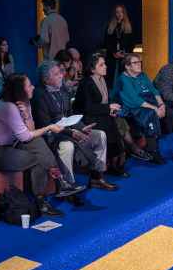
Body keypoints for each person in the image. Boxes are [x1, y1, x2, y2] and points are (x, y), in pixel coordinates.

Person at [0, 74, 85, 217]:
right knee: (36, 160)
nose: (33, 87)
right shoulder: (8, 107)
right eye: (29, 85)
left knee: (37, 142)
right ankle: (45, 199)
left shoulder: (23, 103)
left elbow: (31, 131)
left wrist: (27, 114)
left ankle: (60, 184)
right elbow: (25, 136)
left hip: (10, 144)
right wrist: (49, 127)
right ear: (19, 90)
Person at [32, 61, 116, 199]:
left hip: (69, 130)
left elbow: (70, 115)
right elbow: (46, 124)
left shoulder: (63, 89)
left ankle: (97, 177)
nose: (61, 76)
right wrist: (71, 133)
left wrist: (82, 127)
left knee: (99, 135)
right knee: (67, 146)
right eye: (56, 74)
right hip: (51, 135)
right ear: (46, 79)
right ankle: (68, 185)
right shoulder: (39, 95)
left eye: (60, 72)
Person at [73, 53, 129, 176]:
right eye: (101, 65)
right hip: (87, 117)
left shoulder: (102, 80)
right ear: (93, 69)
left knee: (114, 121)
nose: (105, 66)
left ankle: (114, 162)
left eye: (105, 64)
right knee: (109, 124)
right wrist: (108, 108)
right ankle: (108, 165)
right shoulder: (86, 83)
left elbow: (104, 102)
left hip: (100, 113)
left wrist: (111, 110)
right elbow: (87, 108)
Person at [113, 53, 166, 164]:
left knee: (167, 111)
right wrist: (155, 108)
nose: (139, 64)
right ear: (127, 66)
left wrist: (161, 105)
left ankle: (161, 144)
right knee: (150, 114)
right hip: (129, 106)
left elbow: (154, 90)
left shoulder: (142, 75)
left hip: (147, 102)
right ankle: (153, 151)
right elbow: (134, 100)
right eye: (135, 63)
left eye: (139, 62)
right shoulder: (123, 79)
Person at [104, 4, 135, 84]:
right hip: (112, 56)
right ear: (115, 14)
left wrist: (125, 53)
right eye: (117, 12)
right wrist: (114, 52)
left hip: (125, 56)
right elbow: (106, 42)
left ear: (124, 13)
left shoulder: (129, 26)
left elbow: (132, 43)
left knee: (124, 80)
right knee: (112, 80)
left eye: (121, 12)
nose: (119, 14)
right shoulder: (110, 26)